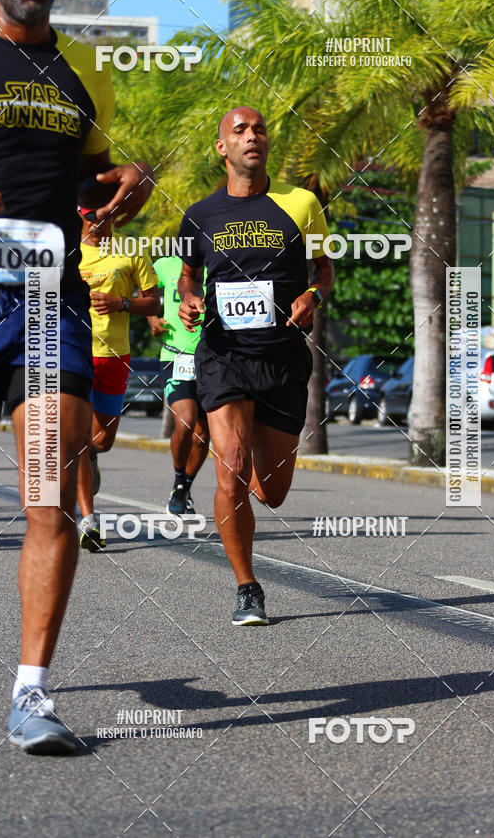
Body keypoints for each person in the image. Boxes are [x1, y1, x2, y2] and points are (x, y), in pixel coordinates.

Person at [0, 0, 153, 754]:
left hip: (49, 305)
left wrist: (124, 185)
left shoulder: (83, 69)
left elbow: (91, 180)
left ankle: (30, 695)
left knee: (49, 496)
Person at [178, 107, 334, 626]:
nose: (252, 137)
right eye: (240, 131)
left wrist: (312, 294)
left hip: (283, 359)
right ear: (221, 147)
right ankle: (247, 586)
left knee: (271, 491)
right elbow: (187, 279)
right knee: (234, 465)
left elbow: (325, 268)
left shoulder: (301, 203)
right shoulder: (199, 216)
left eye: (259, 129)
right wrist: (189, 300)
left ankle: (245, 497)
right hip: (224, 355)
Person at [77, 208, 160, 550]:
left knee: (101, 441)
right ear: (80, 215)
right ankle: (88, 520)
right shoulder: (66, 251)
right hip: (73, 354)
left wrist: (122, 303)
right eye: (92, 216)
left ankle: (92, 458)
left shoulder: (132, 249)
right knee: (77, 439)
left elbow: (154, 303)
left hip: (114, 356)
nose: (99, 222)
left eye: (106, 216)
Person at [148, 256, 209, 515]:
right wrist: (152, 318)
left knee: (203, 434)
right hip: (176, 355)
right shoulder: (165, 264)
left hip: (212, 359)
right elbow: (145, 289)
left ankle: (184, 487)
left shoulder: (219, 263)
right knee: (185, 420)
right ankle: (178, 478)